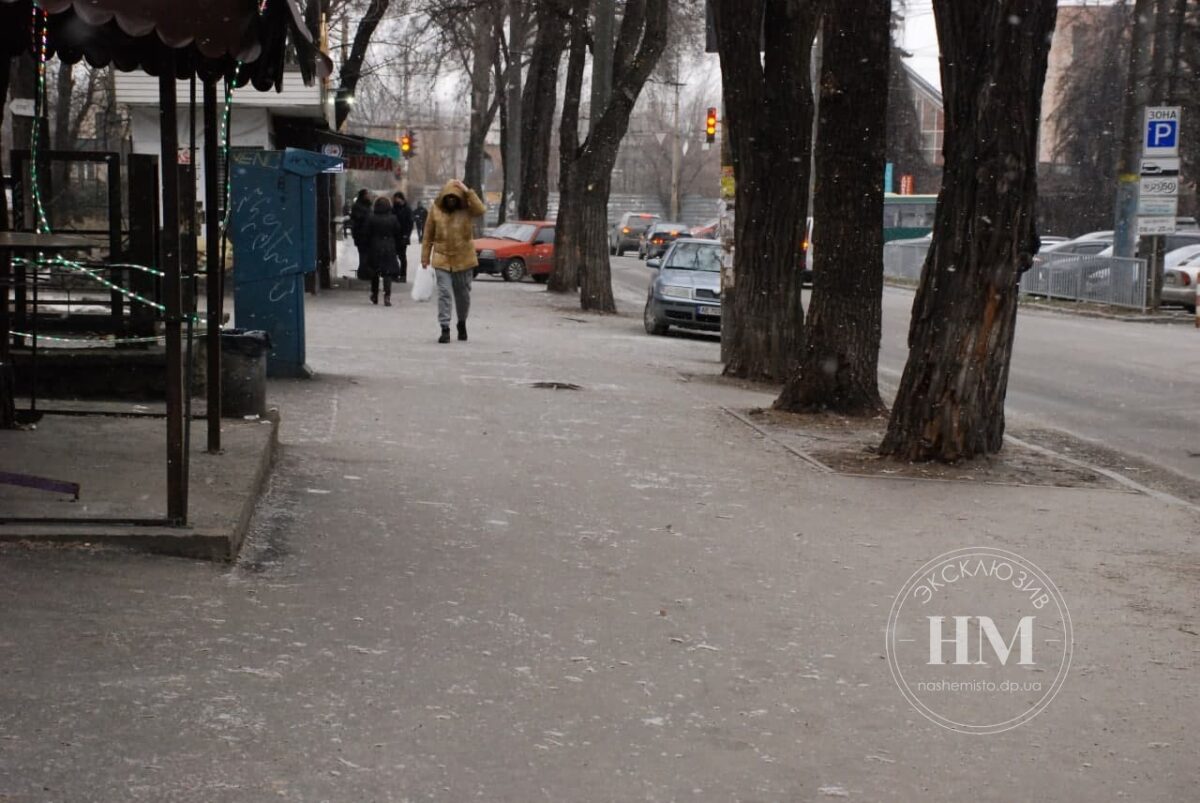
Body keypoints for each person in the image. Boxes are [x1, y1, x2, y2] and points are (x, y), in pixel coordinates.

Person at [420, 179, 486, 343]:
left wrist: (467, 190)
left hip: (463, 258)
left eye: (454, 198)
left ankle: (461, 322)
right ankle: (445, 328)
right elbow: (428, 235)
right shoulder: (435, 210)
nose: (451, 201)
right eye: (448, 198)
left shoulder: (466, 209)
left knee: (463, 295)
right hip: (442, 258)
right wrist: (425, 257)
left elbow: (481, 209)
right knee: (444, 293)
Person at [363, 196, 405, 306]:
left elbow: (366, 233)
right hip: (389, 247)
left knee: (375, 272)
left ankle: (374, 295)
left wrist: (367, 246)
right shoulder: (393, 218)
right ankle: (387, 296)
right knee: (387, 273)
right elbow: (398, 233)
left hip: (375, 246)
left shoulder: (371, 218)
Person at [349, 189, 373, 280]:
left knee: (366, 255)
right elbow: (356, 219)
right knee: (363, 255)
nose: (368, 196)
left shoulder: (368, 205)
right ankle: (363, 273)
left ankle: (366, 272)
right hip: (361, 235)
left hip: (368, 235)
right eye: (367, 194)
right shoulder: (358, 206)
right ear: (363, 195)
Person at [391, 191, 415, 282]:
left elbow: (410, 223)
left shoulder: (407, 209)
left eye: (396, 198)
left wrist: (406, 235)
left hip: (402, 236)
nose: (395, 200)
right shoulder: (394, 208)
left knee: (402, 257)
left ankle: (403, 275)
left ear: (400, 198)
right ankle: (395, 274)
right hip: (394, 236)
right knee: (393, 256)